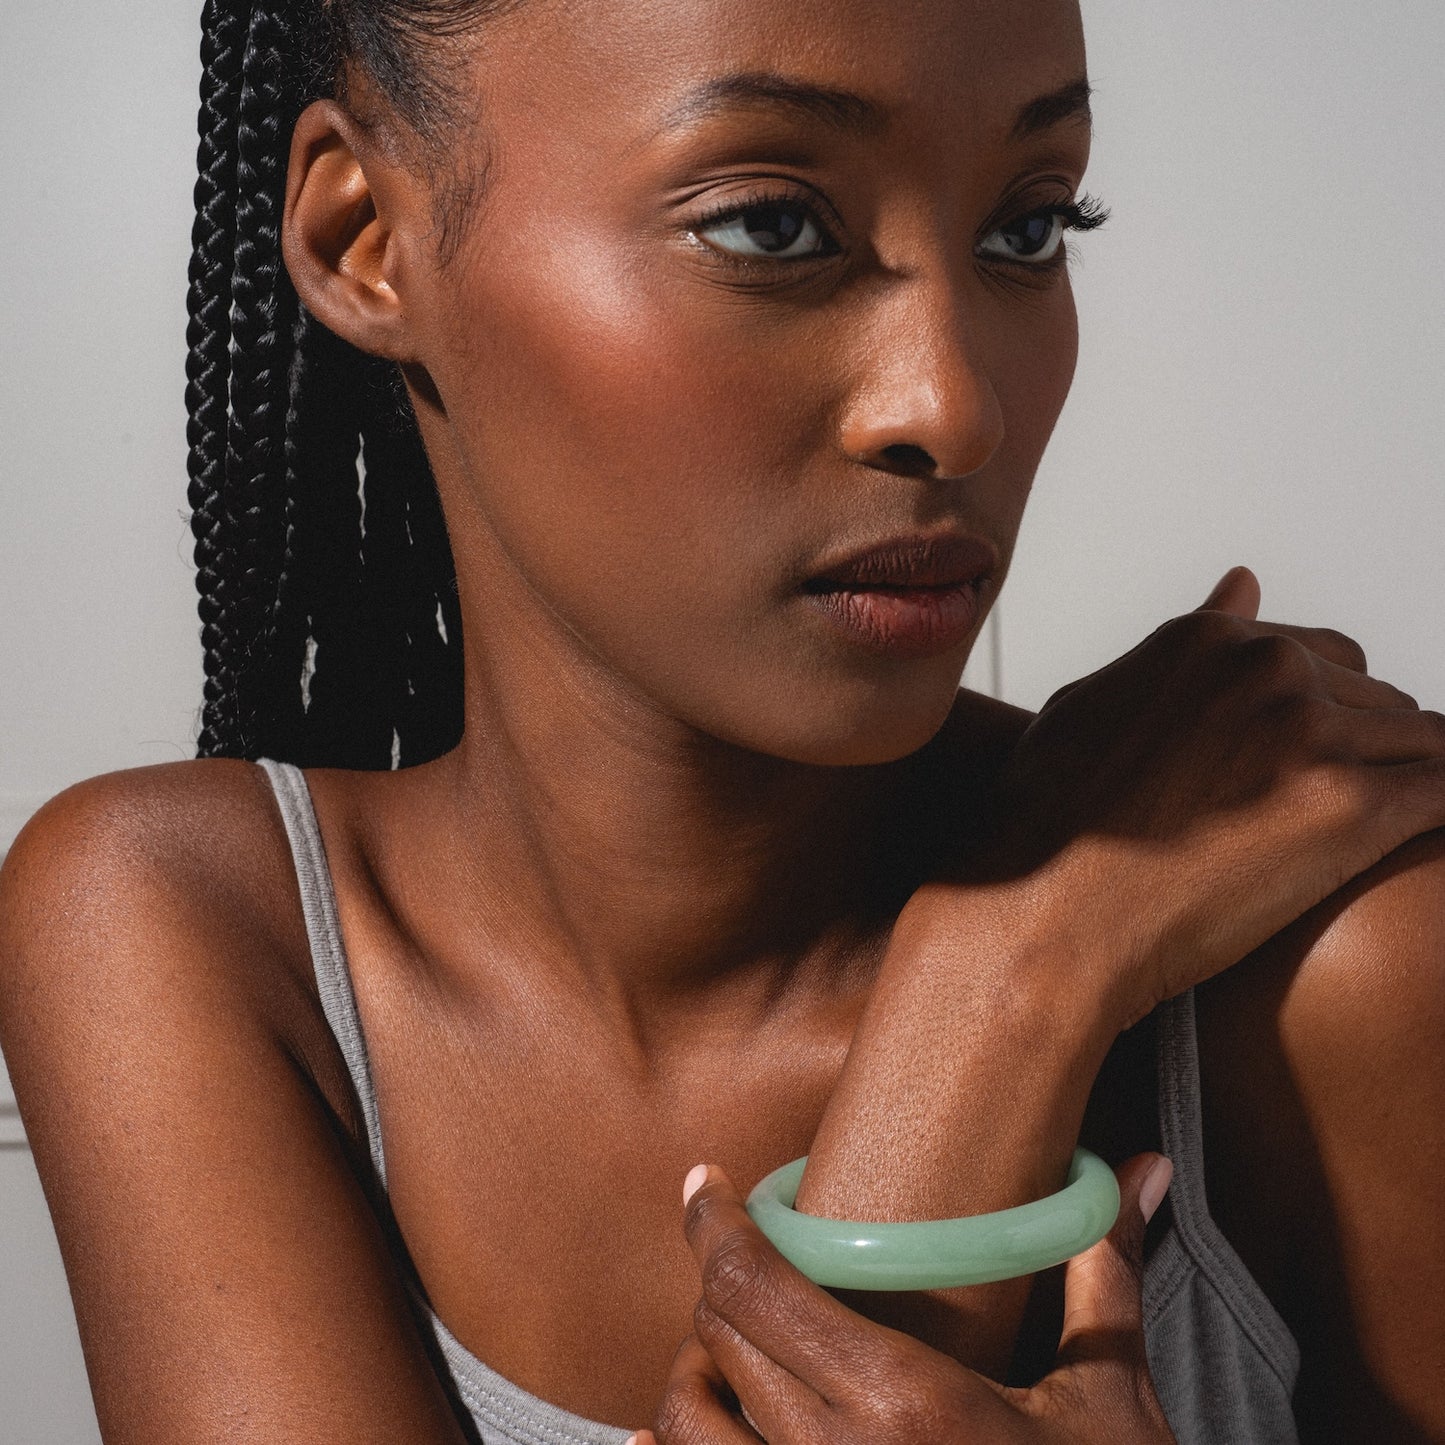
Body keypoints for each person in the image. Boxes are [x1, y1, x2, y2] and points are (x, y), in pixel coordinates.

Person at [0, 1, 1441, 1442]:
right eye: (770, 225)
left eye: (1026, 226)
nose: (951, 406)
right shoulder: (180, 926)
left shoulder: (1328, 973)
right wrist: (1006, 973)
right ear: (365, 236)